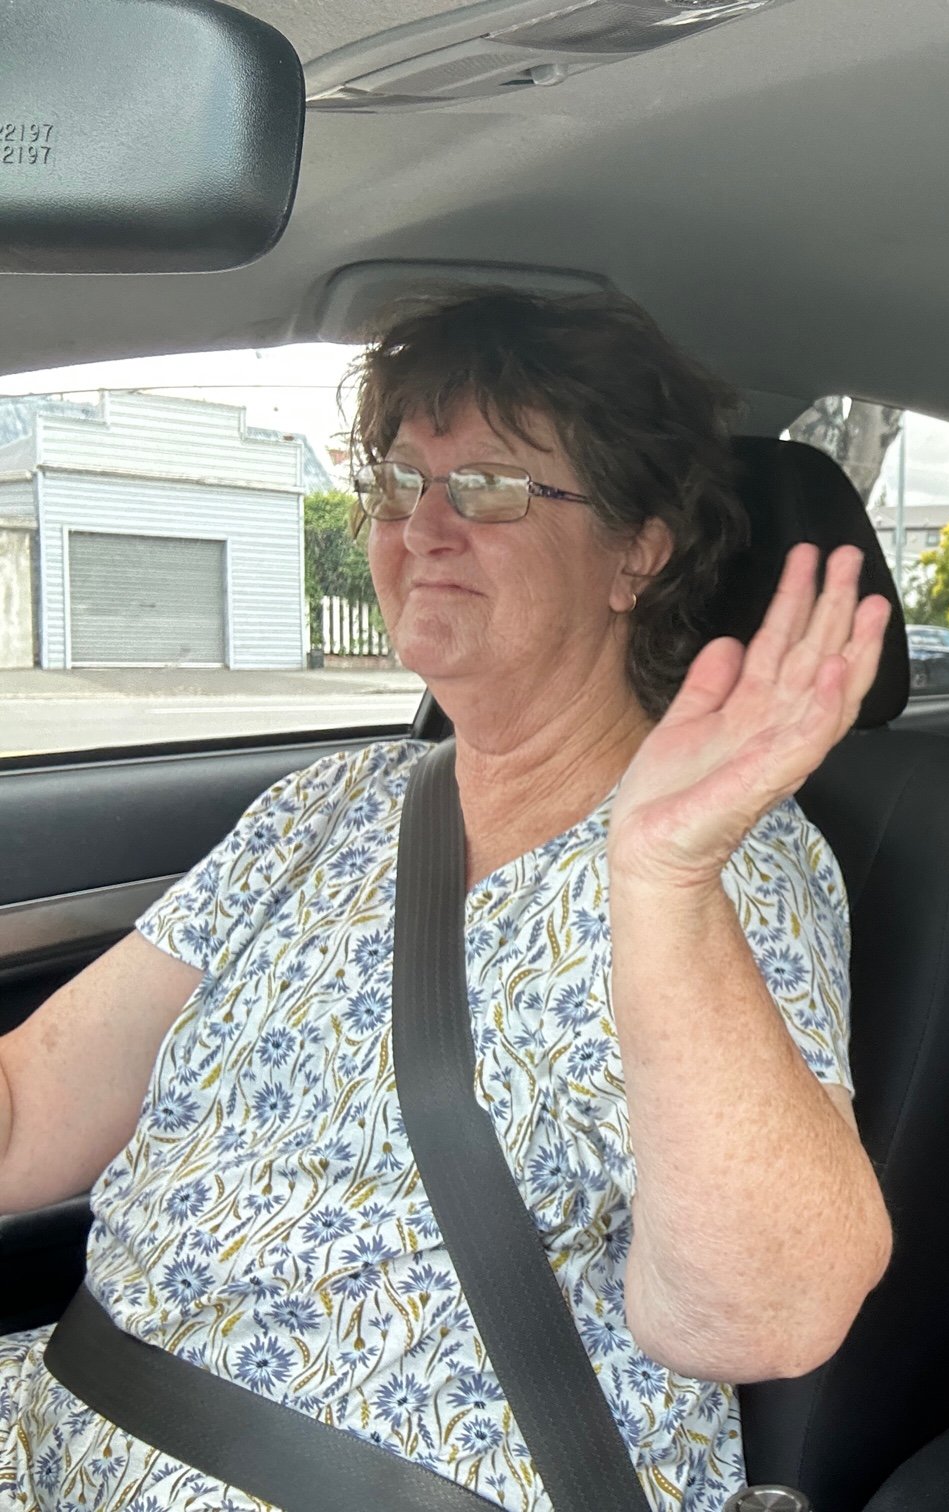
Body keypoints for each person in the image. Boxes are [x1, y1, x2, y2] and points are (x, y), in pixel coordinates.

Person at [0, 288, 894, 1510]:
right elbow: (26, 1110)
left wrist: (666, 875)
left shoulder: (728, 858)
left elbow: (770, 1316)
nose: (422, 526)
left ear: (638, 548)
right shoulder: (327, 808)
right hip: (55, 1424)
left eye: (489, 488)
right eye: (399, 483)